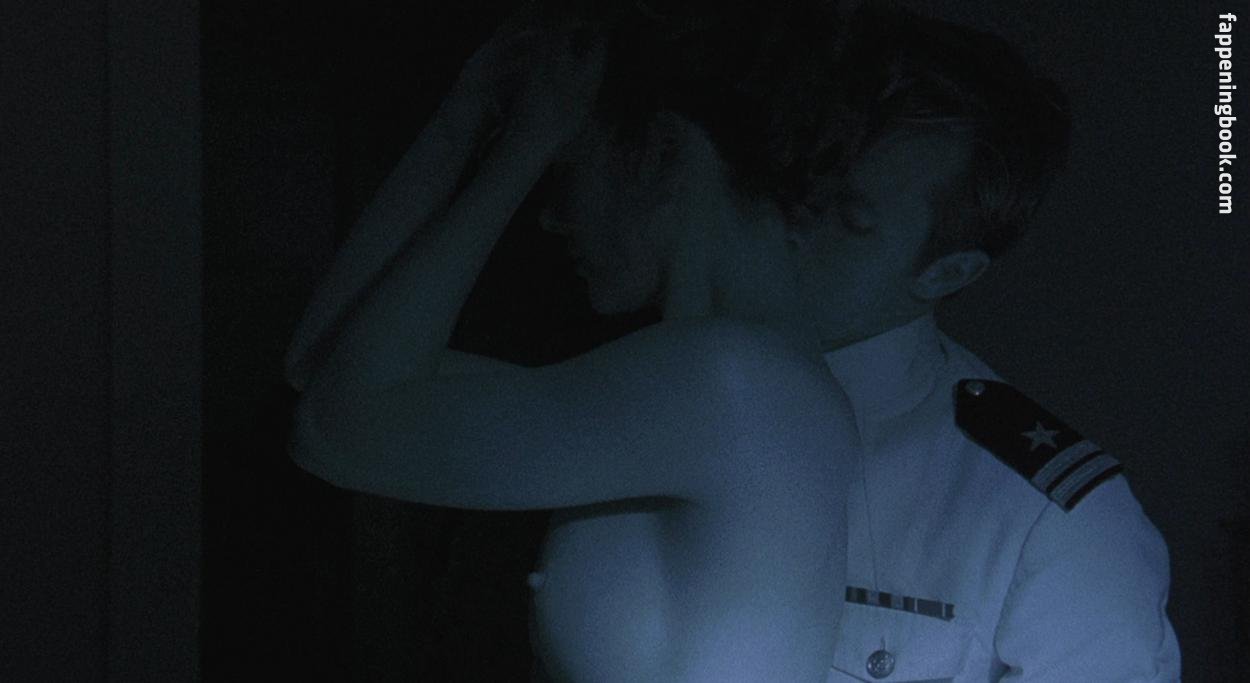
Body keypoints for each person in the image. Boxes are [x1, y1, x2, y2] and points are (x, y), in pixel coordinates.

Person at [284, 1, 865, 681]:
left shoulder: (732, 380)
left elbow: (334, 426)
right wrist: (462, 122)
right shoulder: (739, 381)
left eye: (566, 169)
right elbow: (326, 368)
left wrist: (515, 149)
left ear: (662, 151)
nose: (551, 218)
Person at [797, 6, 1183, 681]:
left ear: (947, 271)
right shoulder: (647, 383)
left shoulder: (1046, 516)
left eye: (848, 217)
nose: (792, 225)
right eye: (791, 190)